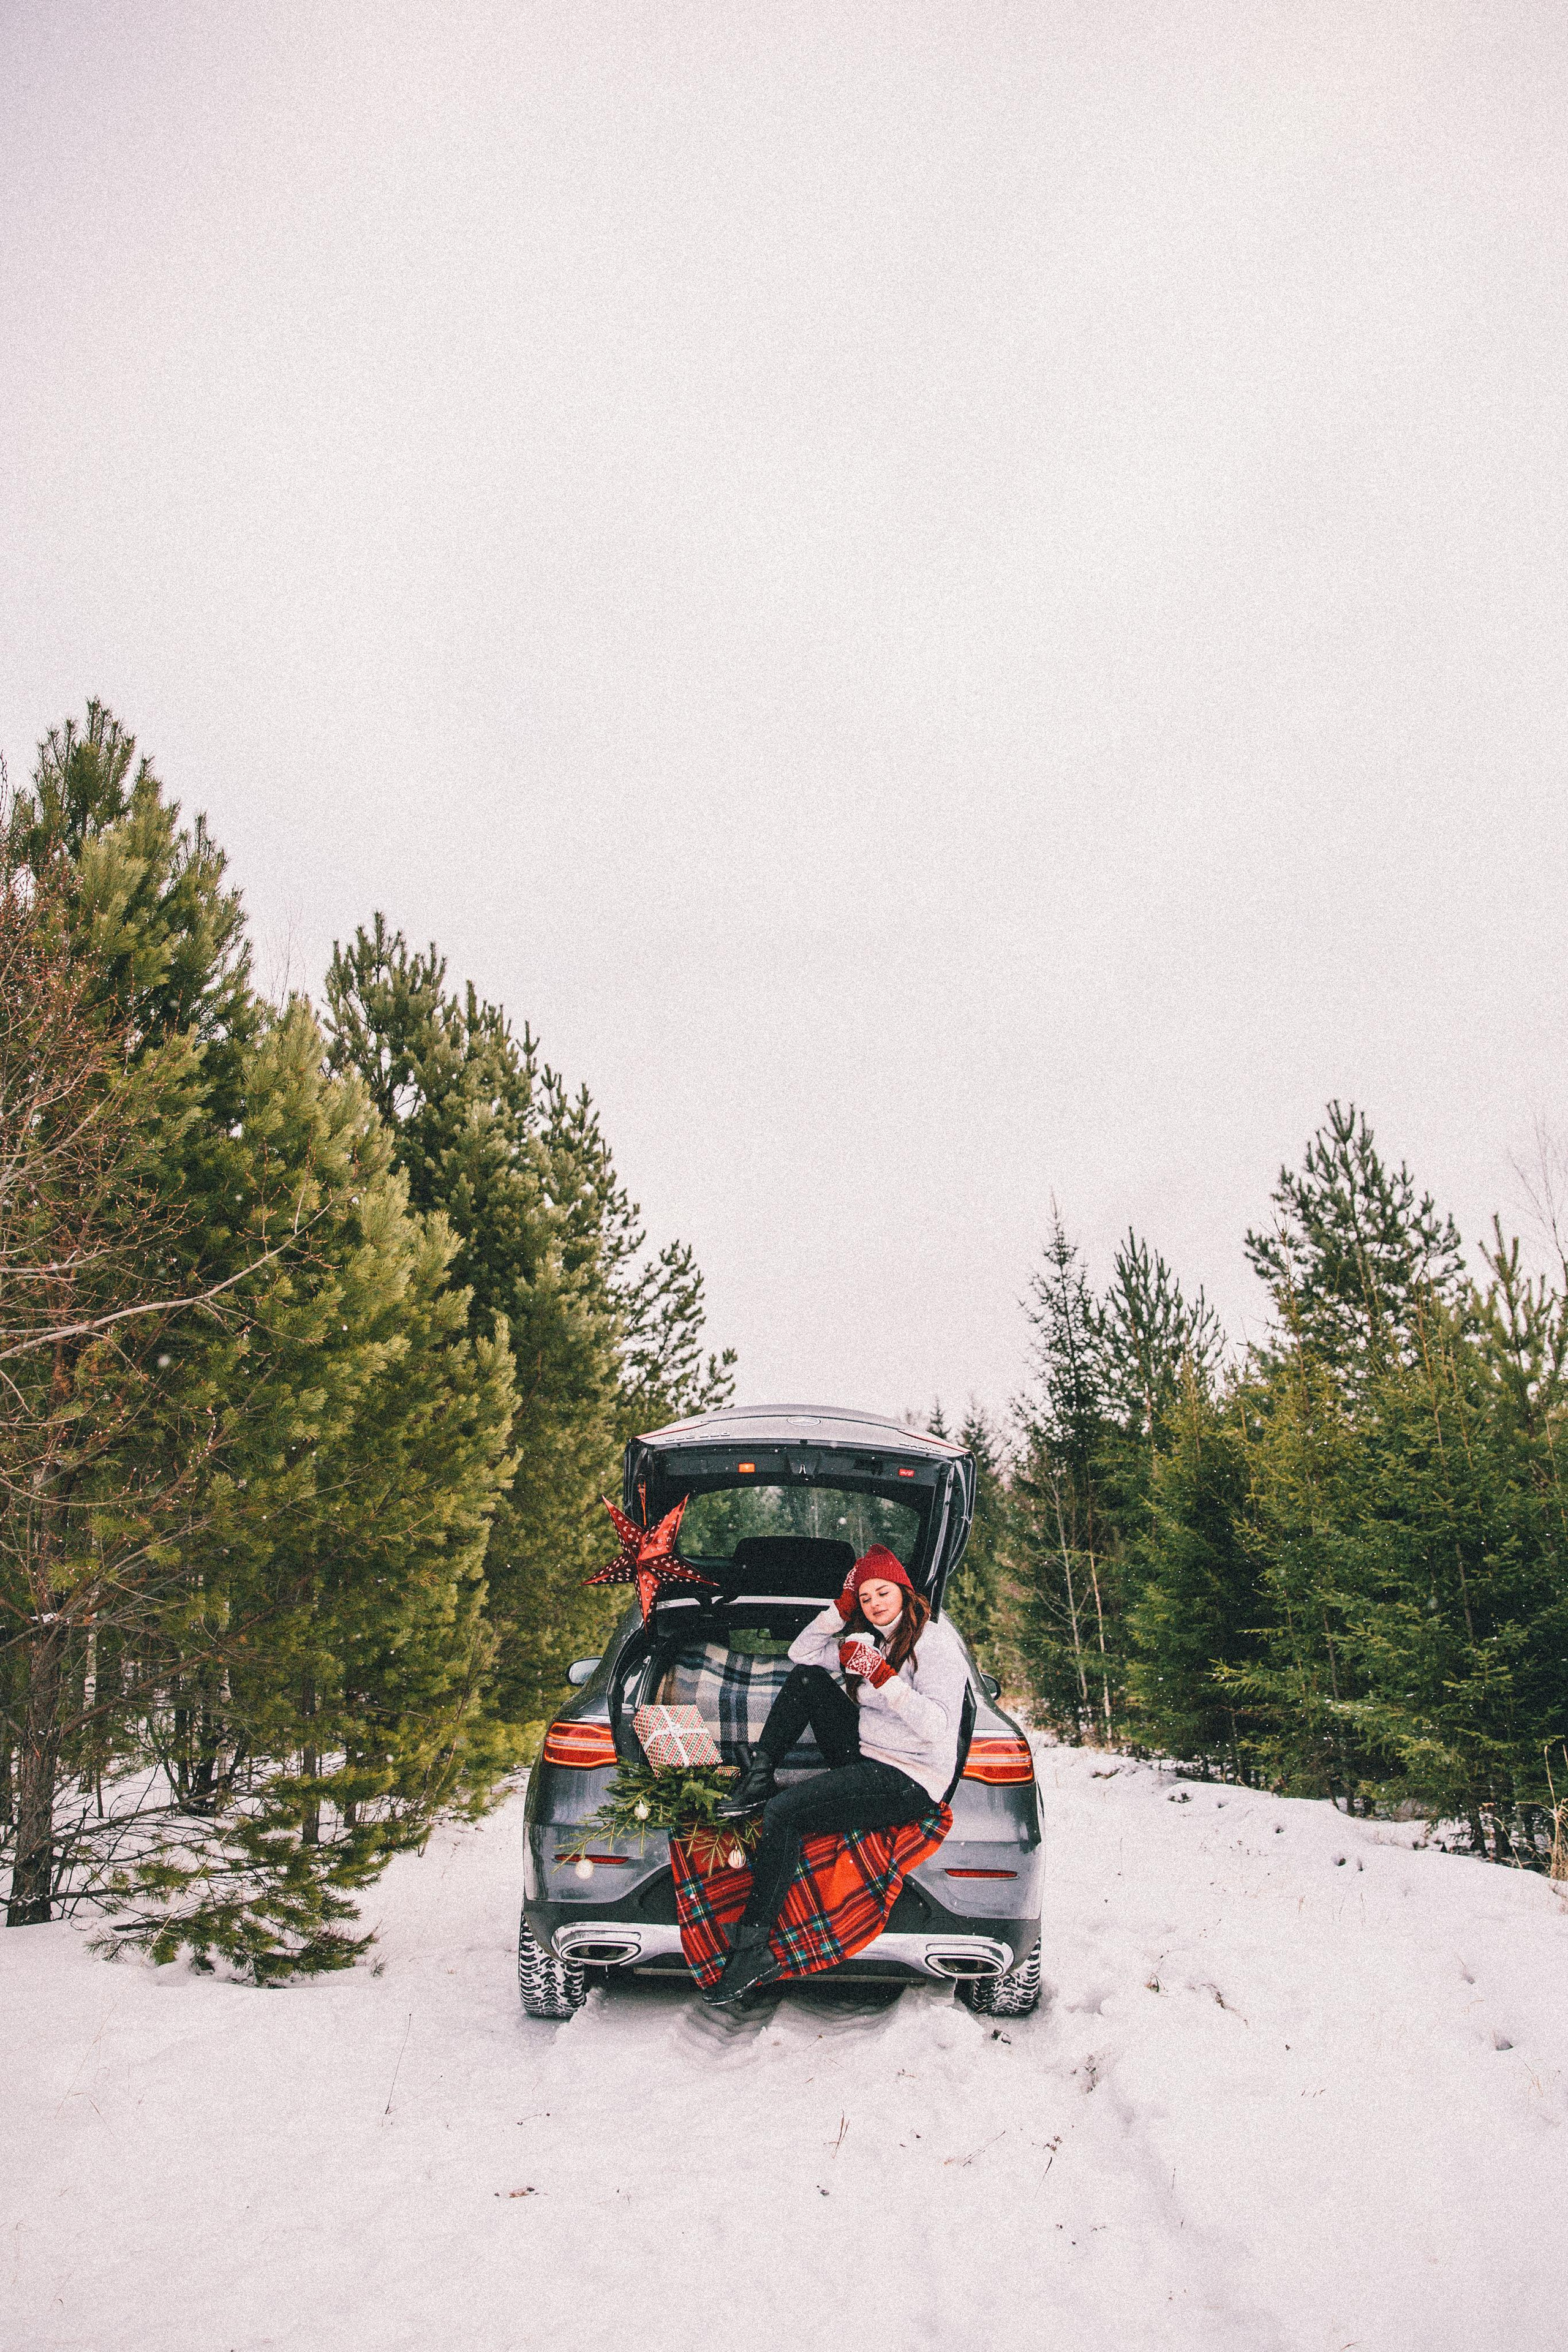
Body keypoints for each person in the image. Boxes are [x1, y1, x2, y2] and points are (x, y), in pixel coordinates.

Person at [704, 1542, 970, 2007]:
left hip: (908, 1779)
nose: (875, 1604)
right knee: (806, 1679)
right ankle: (759, 1775)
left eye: (882, 1592)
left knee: (784, 1815)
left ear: (905, 1592)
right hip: (868, 1755)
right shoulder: (868, 1641)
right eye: (865, 1598)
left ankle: (752, 1952)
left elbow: (936, 1728)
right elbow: (801, 1651)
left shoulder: (934, 1644)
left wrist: (883, 1676)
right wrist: (838, 1611)